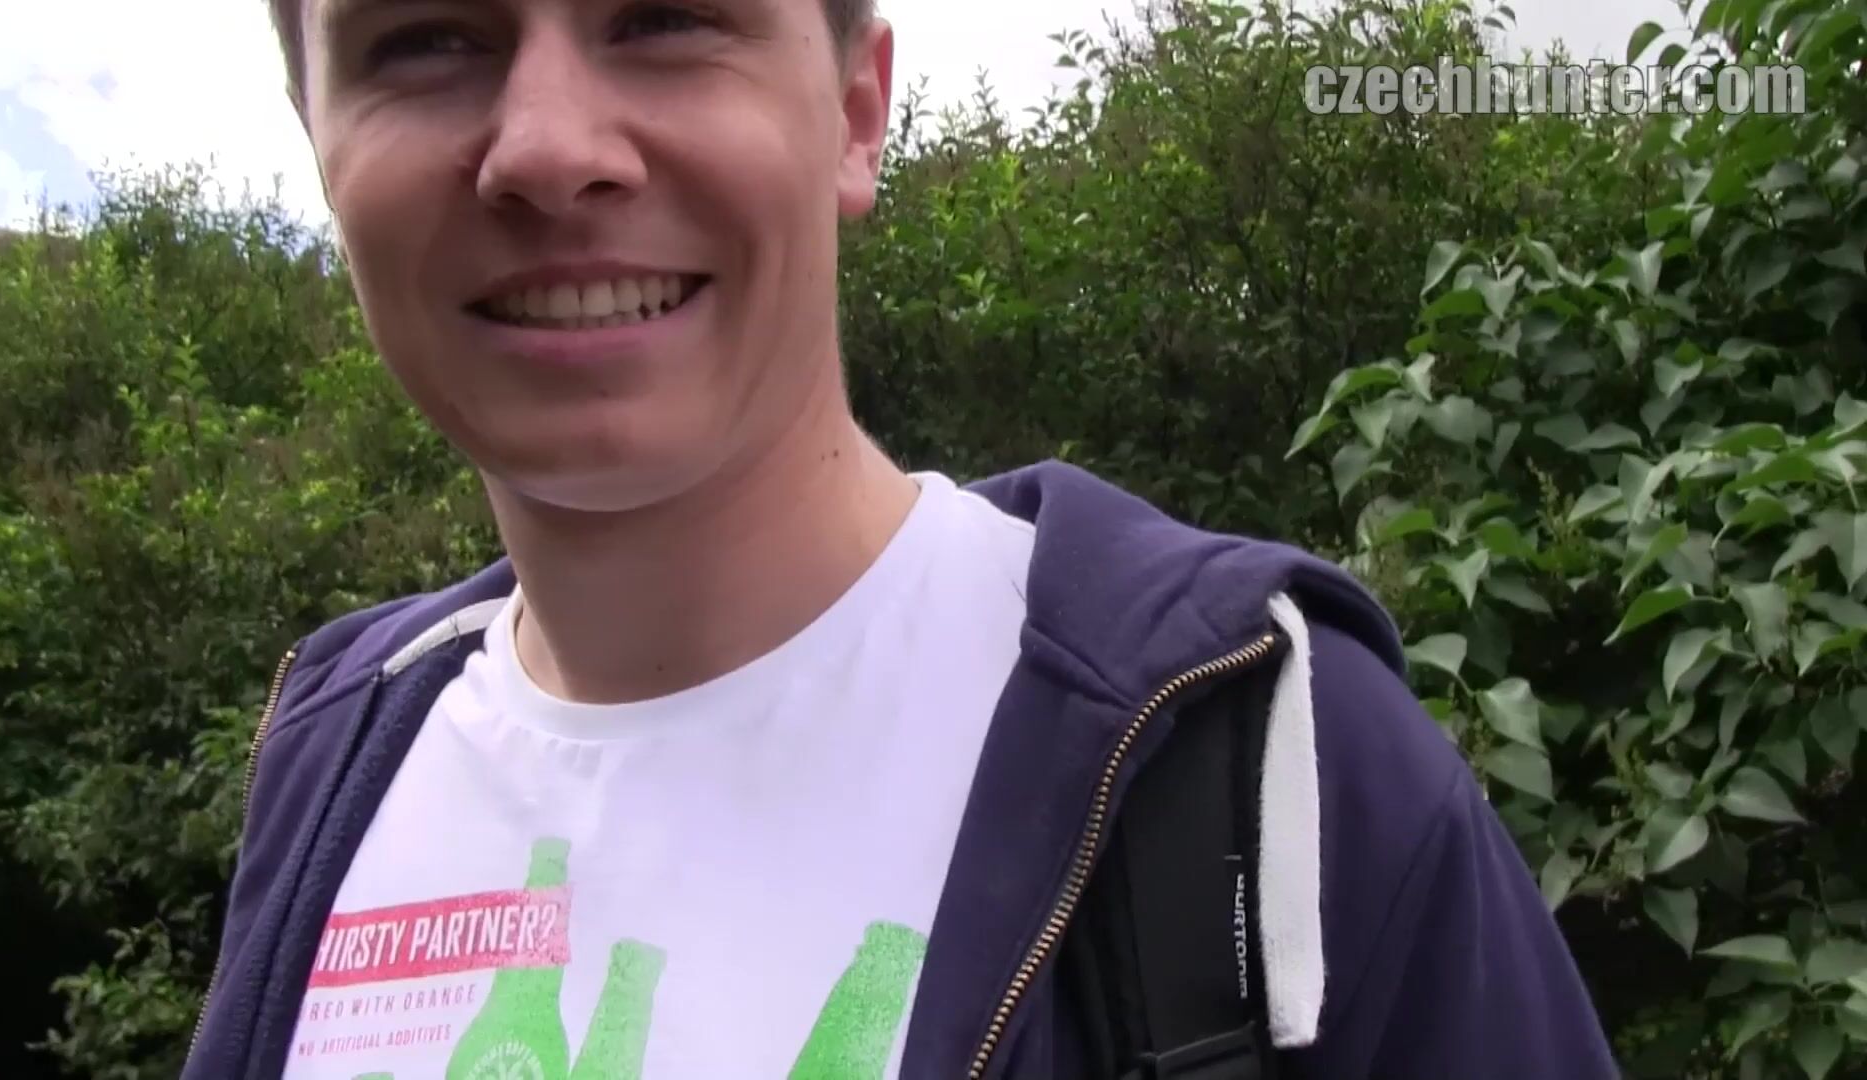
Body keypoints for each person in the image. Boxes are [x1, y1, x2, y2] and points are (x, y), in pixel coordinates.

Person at [185, 0, 1617, 1076]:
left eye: (666, 20)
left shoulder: (1261, 759)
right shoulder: (333, 759)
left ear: (856, 114)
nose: (550, 148)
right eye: (425, 40)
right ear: (320, 140)